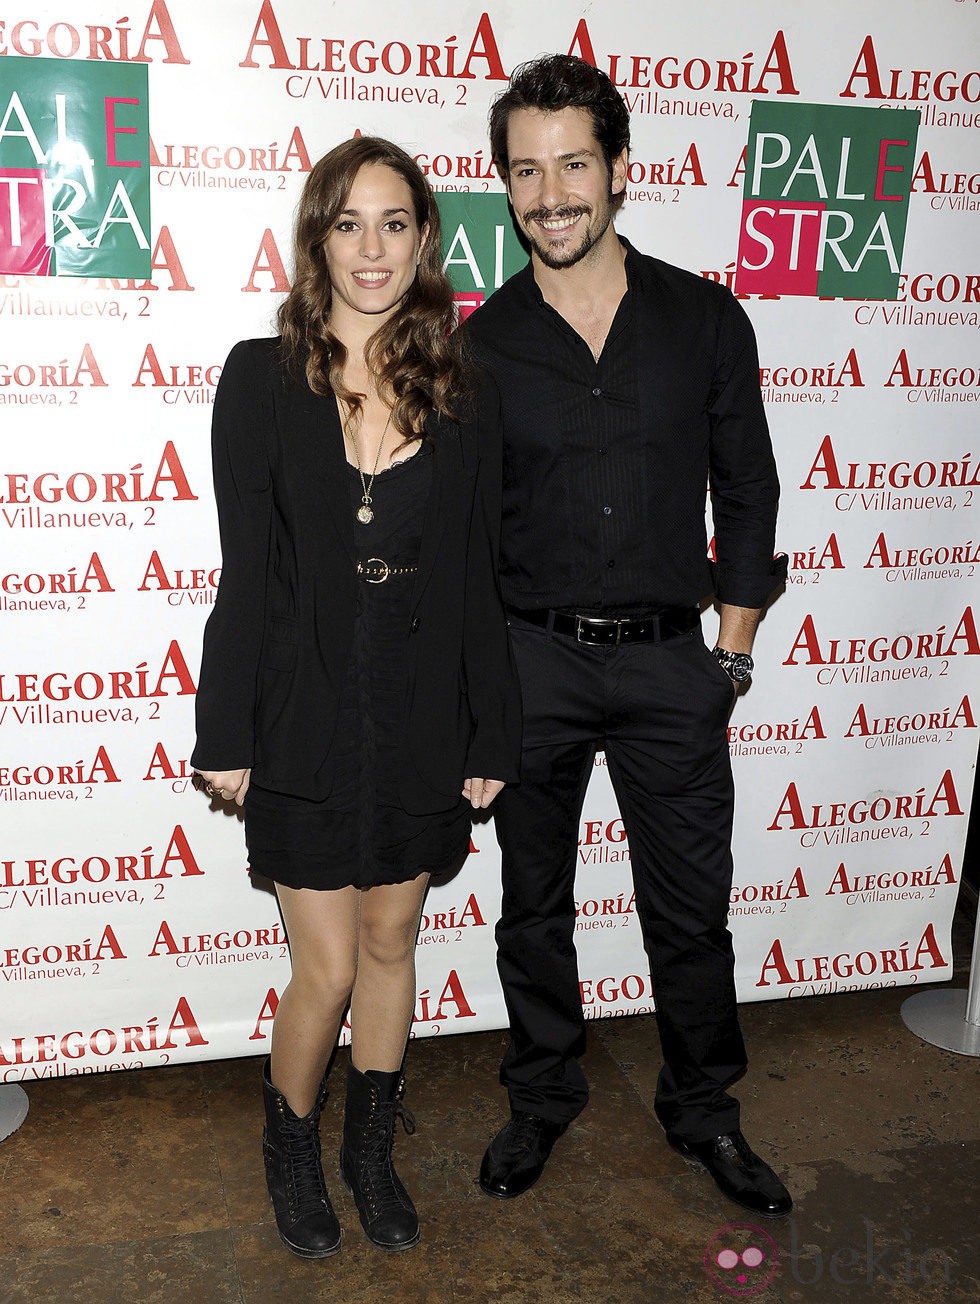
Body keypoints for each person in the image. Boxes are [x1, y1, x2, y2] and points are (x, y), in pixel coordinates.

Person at [465, 55, 791, 1218]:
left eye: (571, 164)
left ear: (616, 170)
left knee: (689, 911)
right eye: (524, 171)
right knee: (531, 906)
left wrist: (730, 654)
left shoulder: (704, 317)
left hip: (668, 662)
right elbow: (461, 532)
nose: (549, 194)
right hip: (529, 660)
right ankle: (540, 1097)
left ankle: (704, 1109)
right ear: (504, 186)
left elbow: (746, 492)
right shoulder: (481, 344)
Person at [191, 136, 520, 1259]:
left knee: (392, 939)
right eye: (348, 223)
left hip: (420, 697)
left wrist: (491, 725)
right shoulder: (259, 375)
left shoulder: (461, 386)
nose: (370, 248)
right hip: (301, 696)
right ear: (315, 238)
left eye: (393, 223)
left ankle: (367, 1152)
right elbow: (246, 567)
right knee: (324, 965)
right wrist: (225, 725)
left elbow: (478, 573)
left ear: (424, 238)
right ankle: (291, 1142)